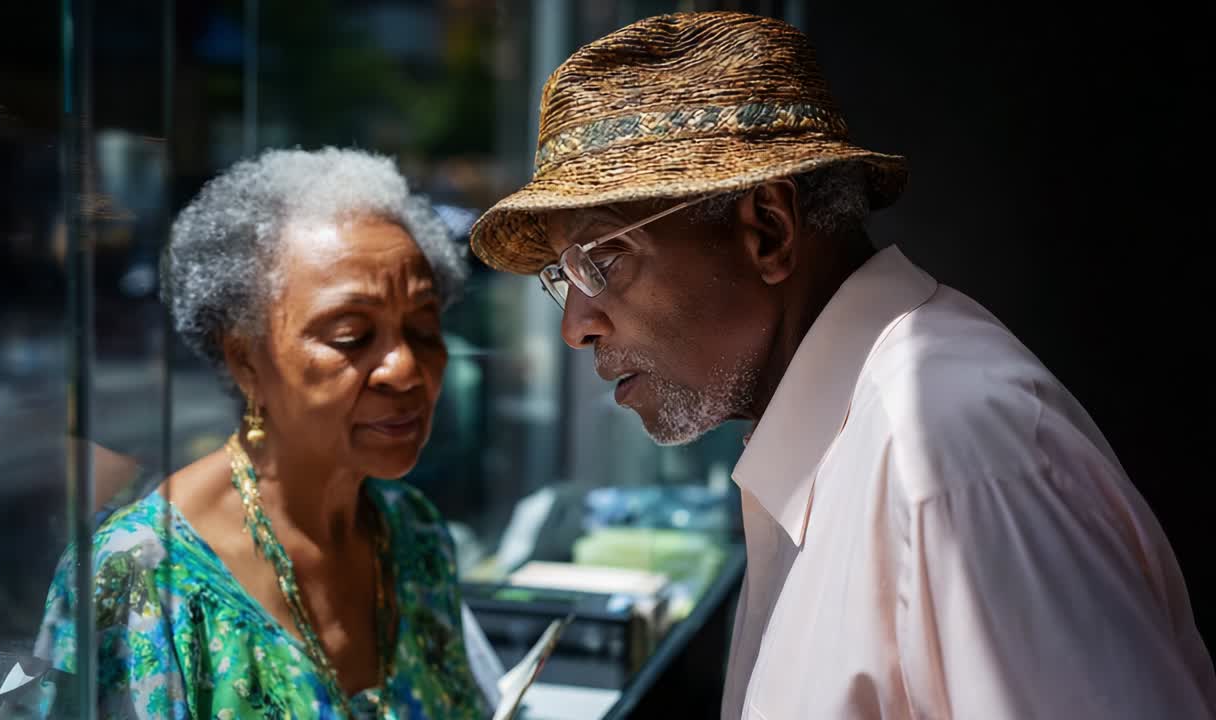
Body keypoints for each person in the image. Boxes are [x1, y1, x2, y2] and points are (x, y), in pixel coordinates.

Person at [469, 11, 1216, 719]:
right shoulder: (852, 440)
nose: (575, 326)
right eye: (562, 279)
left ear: (766, 230)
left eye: (603, 261)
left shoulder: (948, 450)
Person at [36, 147, 488, 719]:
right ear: (246, 360)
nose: (404, 369)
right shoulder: (142, 576)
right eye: (351, 335)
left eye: (424, 327)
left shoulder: (413, 533)